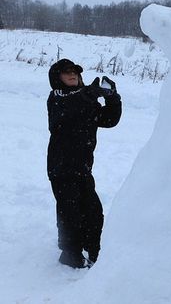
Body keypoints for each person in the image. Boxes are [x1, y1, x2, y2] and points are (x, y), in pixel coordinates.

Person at [47, 58, 122, 268]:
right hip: (61, 167)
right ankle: (70, 254)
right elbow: (66, 113)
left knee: (93, 211)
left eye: (75, 72)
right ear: (57, 77)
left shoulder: (86, 100)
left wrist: (113, 99)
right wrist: (90, 93)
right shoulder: (56, 98)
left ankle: (95, 250)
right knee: (70, 212)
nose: (72, 75)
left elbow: (108, 120)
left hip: (82, 167)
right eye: (66, 72)